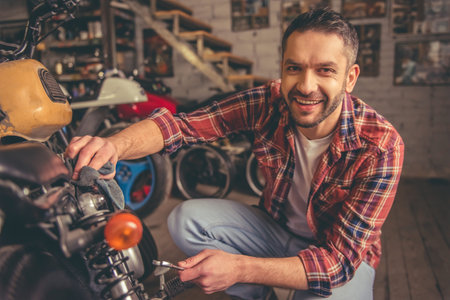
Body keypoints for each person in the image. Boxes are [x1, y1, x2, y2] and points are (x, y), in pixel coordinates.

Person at [66, 8, 404, 300]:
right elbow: (183, 126)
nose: (305, 85)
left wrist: (239, 268)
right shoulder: (268, 102)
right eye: (294, 68)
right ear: (282, 68)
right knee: (185, 220)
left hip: (338, 256)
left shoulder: (381, 146)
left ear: (350, 78)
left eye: (325, 70)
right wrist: (114, 144)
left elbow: (338, 263)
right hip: (278, 229)